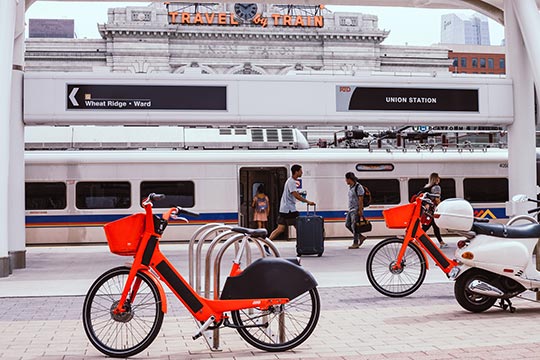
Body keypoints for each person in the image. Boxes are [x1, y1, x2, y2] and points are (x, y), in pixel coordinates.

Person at [269, 164, 315, 240]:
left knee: (280, 229)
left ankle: (267, 243)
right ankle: (304, 244)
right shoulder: (292, 182)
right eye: (300, 171)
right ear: (296, 172)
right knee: (300, 226)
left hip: (284, 209)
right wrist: (308, 202)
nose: (302, 173)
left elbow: (294, 194)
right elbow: (295, 195)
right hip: (289, 210)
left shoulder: (290, 181)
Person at [421, 172, 447, 248]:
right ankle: (416, 240)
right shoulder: (436, 187)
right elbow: (437, 199)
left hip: (427, 211)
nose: (439, 179)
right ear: (436, 179)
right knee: (426, 227)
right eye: (438, 177)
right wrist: (441, 206)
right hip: (433, 210)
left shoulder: (427, 187)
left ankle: (441, 242)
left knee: (434, 226)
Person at [344, 172, 367, 249]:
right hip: (350, 209)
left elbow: (361, 200)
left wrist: (360, 210)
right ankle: (361, 237)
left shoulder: (358, 187)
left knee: (354, 226)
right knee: (347, 224)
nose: (345, 181)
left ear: (349, 179)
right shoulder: (351, 187)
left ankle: (355, 243)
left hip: (356, 209)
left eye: (346, 179)